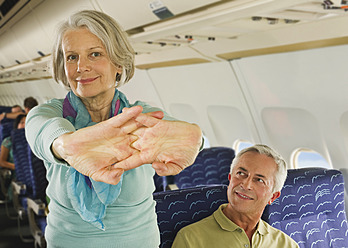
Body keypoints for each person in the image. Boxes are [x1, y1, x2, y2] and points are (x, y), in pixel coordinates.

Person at [25, 10, 202, 248]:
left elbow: (178, 136)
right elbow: (46, 132)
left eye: (95, 54)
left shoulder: (142, 117)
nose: (81, 67)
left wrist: (195, 140)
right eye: (71, 57)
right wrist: (68, 146)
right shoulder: (50, 114)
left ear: (119, 64)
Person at [172, 144, 299, 248]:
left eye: (259, 180)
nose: (246, 184)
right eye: (241, 173)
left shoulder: (286, 244)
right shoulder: (190, 239)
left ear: (273, 196)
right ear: (230, 179)